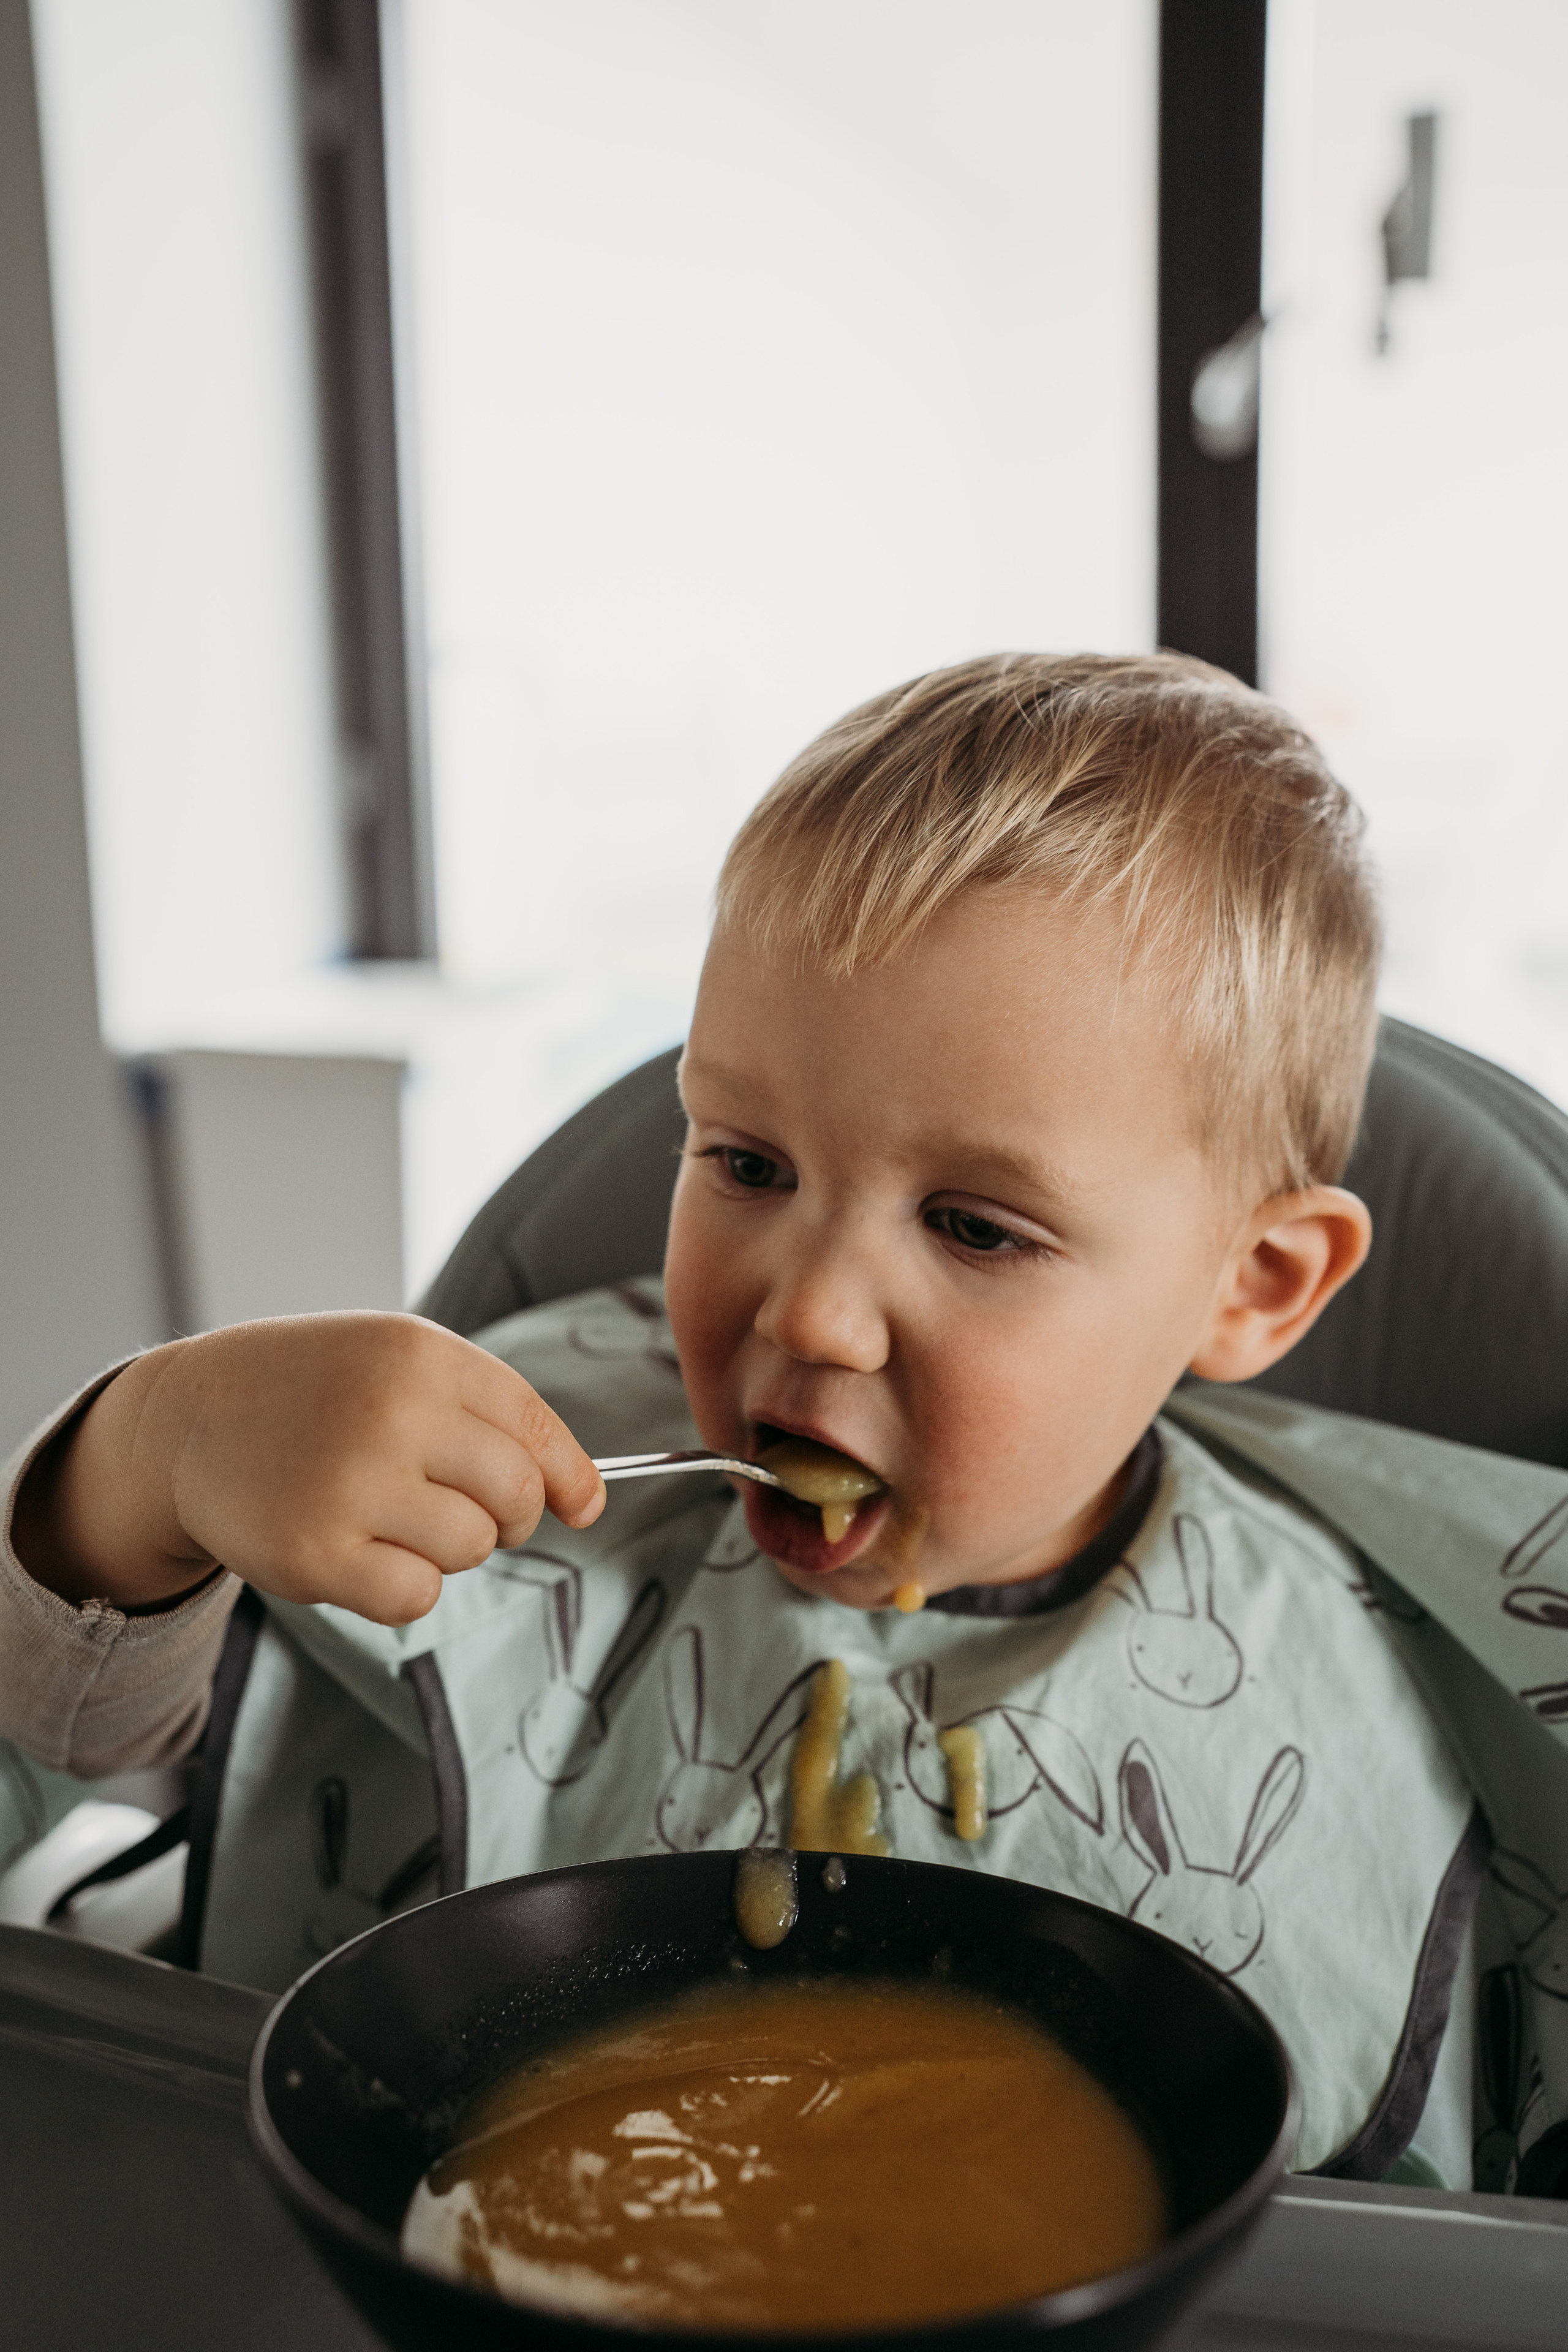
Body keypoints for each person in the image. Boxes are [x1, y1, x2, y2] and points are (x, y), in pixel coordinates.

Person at [4, 654, 1566, 2192]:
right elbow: (59, 1759)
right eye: (746, 1163)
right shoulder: (516, 1460)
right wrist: (139, 1470)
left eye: (971, 1226)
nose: (809, 1312)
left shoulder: (1365, 1677)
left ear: (1253, 1282)